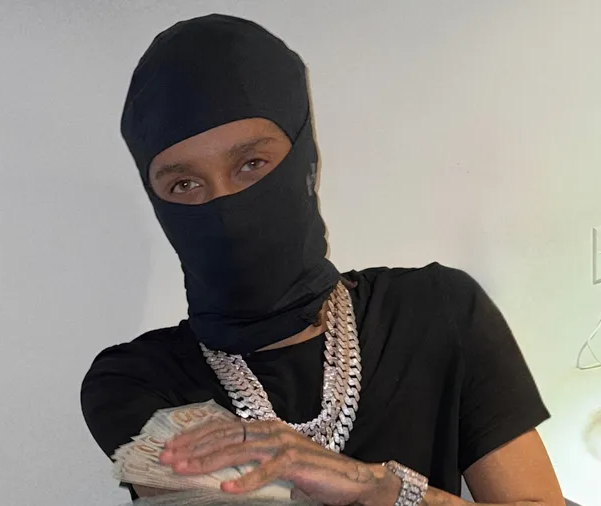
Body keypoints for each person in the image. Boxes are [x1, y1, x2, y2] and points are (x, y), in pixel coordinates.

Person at [82, 14, 565, 506]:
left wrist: (383, 489)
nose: (224, 206)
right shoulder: (135, 383)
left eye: (251, 164)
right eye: (184, 184)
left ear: (305, 164)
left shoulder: (437, 310)